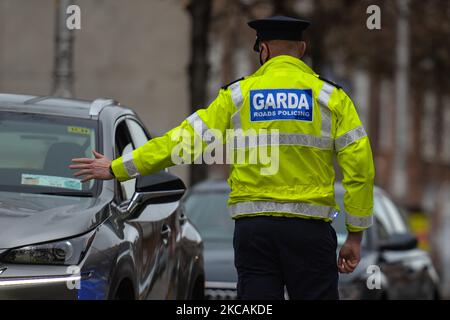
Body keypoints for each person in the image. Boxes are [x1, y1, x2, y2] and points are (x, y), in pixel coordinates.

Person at [70, 15, 375, 300]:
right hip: (310, 232)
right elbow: (360, 169)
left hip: (255, 232)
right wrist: (356, 235)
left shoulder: (237, 96)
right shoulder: (331, 97)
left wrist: (116, 167)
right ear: (303, 49)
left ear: (264, 50)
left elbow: (181, 142)